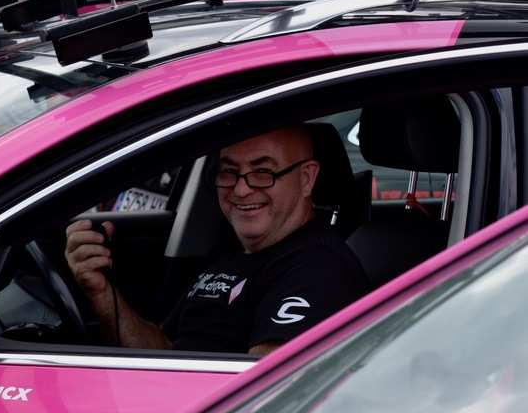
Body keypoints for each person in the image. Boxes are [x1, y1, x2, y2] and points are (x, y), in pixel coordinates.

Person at [65, 125, 369, 356]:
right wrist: (102, 293)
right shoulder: (230, 256)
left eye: (263, 172)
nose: (240, 190)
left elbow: (269, 390)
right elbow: (164, 351)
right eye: (229, 173)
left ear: (306, 179)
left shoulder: (319, 270)